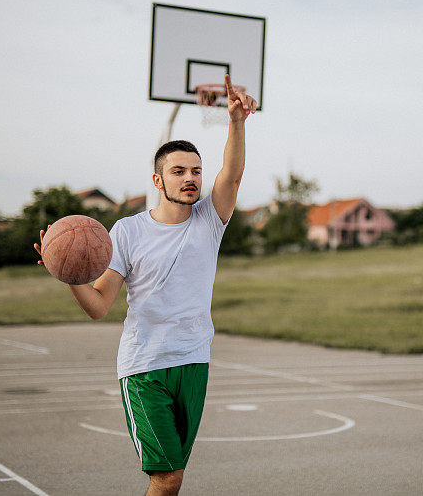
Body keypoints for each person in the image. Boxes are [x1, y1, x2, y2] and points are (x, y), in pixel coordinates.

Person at [34, 74, 256, 495]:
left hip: (194, 360)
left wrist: (237, 122)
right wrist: (69, 275)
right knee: (166, 477)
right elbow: (100, 305)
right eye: (178, 171)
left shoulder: (210, 220)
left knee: (176, 477)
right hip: (144, 367)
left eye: (195, 171)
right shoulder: (127, 231)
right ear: (159, 181)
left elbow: (233, 173)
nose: (189, 178)